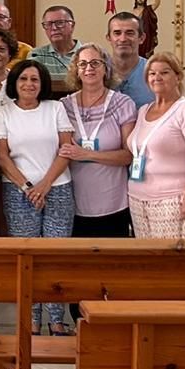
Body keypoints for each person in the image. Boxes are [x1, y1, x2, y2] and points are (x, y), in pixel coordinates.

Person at [0, 60, 74, 335]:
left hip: (58, 188)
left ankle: (57, 320)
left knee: (55, 257)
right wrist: (28, 188)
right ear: (14, 83)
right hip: (18, 192)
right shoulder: (3, 113)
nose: (29, 84)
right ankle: (32, 320)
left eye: (35, 79)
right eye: (23, 79)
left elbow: (66, 149)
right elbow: (3, 157)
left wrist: (45, 185)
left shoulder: (55, 108)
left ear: (42, 83)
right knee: (27, 258)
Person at [127, 53, 185, 238]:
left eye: (164, 72)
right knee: (148, 254)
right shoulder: (143, 111)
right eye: (152, 73)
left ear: (178, 77)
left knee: (173, 254)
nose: (157, 77)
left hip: (173, 200)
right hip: (138, 198)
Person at [58, 44, 135, 238]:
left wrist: (87, 154)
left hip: (114, 202)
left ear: (106, 68)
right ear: (76, 70)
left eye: (95, 63)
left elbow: (128, 155)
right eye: (82, 64)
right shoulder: (63, 107)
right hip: (75, 202)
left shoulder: (122, 104)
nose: (89, 68)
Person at [106, 12, 155, 107]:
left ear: (141, 38)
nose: (123, 39)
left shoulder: (154, 72)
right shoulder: (99, 72)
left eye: (130, 33)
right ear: (109, 38)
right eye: (117, 33)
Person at [30, 5, 83, 92]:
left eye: (60, 23)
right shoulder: (37, 54)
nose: (54, 28)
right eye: (48, 24)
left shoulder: (86, 54)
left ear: (72, 25)